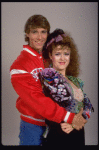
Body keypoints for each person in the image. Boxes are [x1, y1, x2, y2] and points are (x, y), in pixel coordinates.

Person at [10, 15, 87, 146]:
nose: (40, 37)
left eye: (43, 32)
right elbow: (37, 100)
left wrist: (81, 114)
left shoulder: (48, 59)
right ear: (27, 34)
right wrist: (69, 117)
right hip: (32, 126)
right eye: (35, 32)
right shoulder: (19, 66)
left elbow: (70, 94)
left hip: (54, 124)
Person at [40, 29, 94, 146]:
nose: (63, 58)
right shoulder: (49, 77)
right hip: (59, 135)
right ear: (50, 55)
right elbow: (67, 103)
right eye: (58, 54)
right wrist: (80, 116)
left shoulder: (75, 80)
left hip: (78, 134)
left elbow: (88, 105)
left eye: (66, 53)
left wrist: (78, 122)